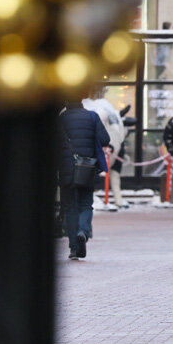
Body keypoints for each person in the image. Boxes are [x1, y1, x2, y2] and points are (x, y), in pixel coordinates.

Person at [58, 99, 110, 260]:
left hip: (66, 169)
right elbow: (105, 139)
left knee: (70, 207)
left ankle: (74, 248)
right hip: (86, 168)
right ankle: (83, 231)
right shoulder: (92, 116)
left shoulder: (61, 119)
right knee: (86, 204)